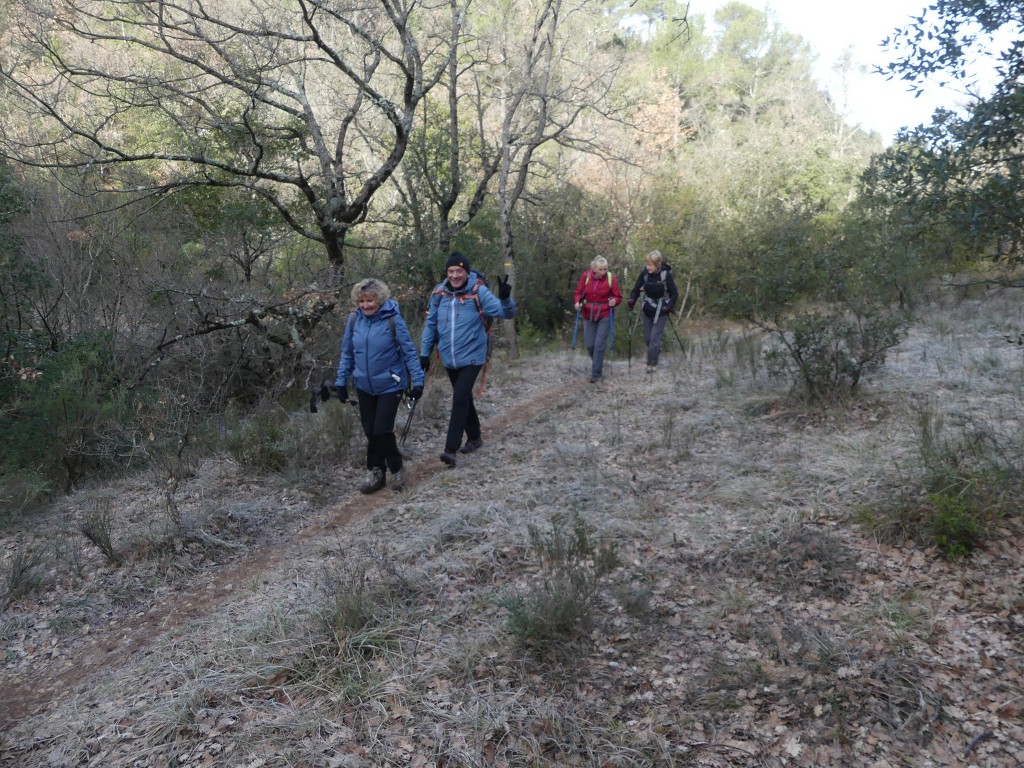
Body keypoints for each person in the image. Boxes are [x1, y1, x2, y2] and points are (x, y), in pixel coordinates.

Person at [420, 252, 516, 468]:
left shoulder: (478, 291)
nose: (455, 275)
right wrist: (424, 354)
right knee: (464, 399)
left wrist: (505, 298)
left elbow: (506, 313)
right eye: (451, 271)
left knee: (460, 397)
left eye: (459, 271)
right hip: (449, 357)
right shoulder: (439, 293)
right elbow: (431, 324)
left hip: (473, 355)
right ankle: (475, 437)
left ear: (467, 272)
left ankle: (450, 450)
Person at [335, 278, 424, 494]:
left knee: (381, 429)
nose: (366, 305)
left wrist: (418, 381)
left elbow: (410, 353)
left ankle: (396, 466)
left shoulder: (393, 321)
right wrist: (341, 382)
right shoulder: (354, 320)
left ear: (380, 300)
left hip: (390, 384)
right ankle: (377, 472)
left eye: (370, 301)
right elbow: (347, 353)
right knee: (370, 431)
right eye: (362, 301)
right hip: (364, 384)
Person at [627, 250, 679, 371]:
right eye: (647, 264)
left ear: (658, 264)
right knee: (647, 339)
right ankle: (656, 351)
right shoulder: (645, 274)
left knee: (654, 339)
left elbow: (674, 294)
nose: (647, 267)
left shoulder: (666, 275)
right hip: (647, 309)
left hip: (662, 310)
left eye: (650, 265)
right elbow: (636, 289)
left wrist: (668, 307)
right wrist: (632, 301)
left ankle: (651, 364)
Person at [573, 256, 622, 383]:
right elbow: (578, 292)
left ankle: (596, 374)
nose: (603, 272)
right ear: (594, 268)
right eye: (600, 269)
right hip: (588, 313)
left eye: (605, 269)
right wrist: (577, 302)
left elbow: (618, 296)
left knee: (599, 344)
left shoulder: (612, 279)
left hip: (605, 313)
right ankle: (598, 364)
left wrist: (614, 301)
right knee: (590, 345)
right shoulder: (586, 276)